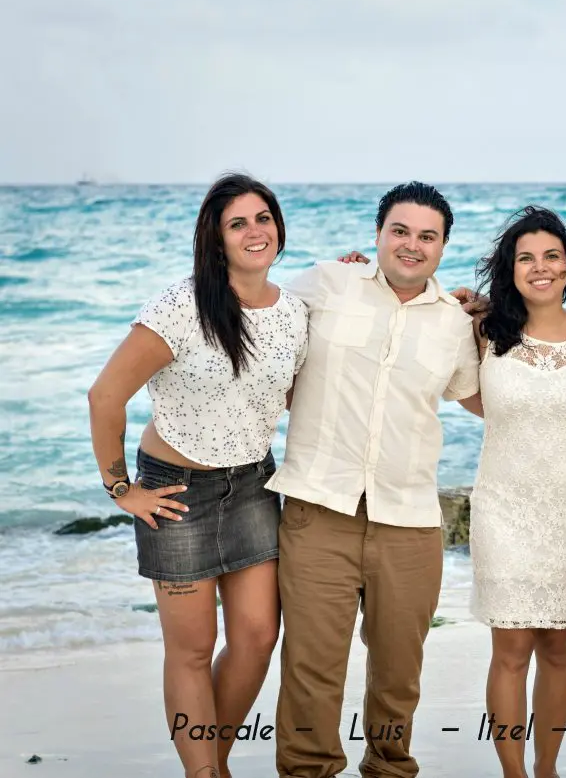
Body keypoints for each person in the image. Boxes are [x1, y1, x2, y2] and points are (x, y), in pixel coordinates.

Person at [87, 173, 308, 778]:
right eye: (238, 223)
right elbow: (105, 396)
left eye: (263, 217)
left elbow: (291, 394)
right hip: (175, 494)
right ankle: (204, 772)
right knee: (191, 650)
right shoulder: (181, 306)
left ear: (278, 227)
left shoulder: (292, 313)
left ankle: (214, 759)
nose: (254, 231)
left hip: (254, 486)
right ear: (215, 240)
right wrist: (121, 491)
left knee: (258, 638)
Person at [268, 181, 480, 778]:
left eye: (427, 236)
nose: (412, 245)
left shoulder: (455, 323)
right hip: (318, 511)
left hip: (409, 522)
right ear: (379, 233)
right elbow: (254, 316)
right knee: (311, 669)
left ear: (442, 248)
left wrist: (503, 325)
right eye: (401, 231)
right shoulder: (327, 283)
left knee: (397, 675)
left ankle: (390, 769)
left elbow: (485, 400)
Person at [469, 206, 566, 778]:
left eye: (552, 255)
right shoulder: (483, 331)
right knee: (510, 652)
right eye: (526, 258)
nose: (540, 267)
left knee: (559, 651)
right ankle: (514, 773)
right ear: (511, 268)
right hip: (503, 511)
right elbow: (457, 388)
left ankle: (546, 768)